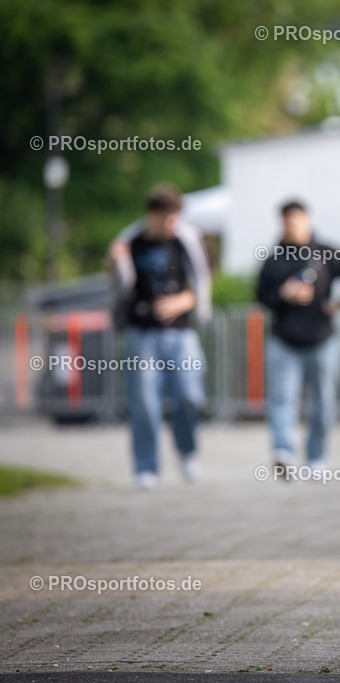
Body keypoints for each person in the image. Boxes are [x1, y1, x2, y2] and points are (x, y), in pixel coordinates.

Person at [107, 184, 211, 490]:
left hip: (181, 332)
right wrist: (114, 263)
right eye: (168, 217)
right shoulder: (131, 242)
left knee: (190, 394)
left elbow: (200, 284)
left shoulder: (185, 241)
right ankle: (146, 467)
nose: (173, 223)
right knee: (144, 403)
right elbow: (118, 287)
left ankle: (187, 451)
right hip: (142, 333)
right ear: (154, 214)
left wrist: (182, 302)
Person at [256, 200, 340, 478]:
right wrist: (283, 294)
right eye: (286, 220)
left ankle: (316, 459)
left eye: (295, 219)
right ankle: (283, 452)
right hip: (284, 342)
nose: (290, 225)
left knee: (323, 403)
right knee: (282, 399)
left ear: (307, 220)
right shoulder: (273, 259)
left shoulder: (327, 252)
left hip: (322, 341)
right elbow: (260, 297)